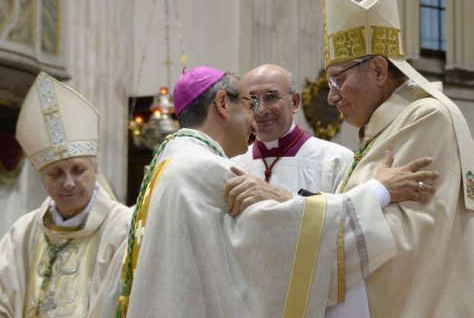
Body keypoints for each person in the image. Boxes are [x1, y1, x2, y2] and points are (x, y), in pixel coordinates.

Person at [109, 66, 436, 317]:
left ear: (294, 102)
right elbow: (287, 246)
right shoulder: (209, 169)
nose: (256, 117)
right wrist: (380, 190)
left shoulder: (169, 162)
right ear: (223, 104)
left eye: (269, 98)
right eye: (250, 103)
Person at [321, 0, 474, 316]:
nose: (332, 96)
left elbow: (407, 236)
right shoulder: (382, 128)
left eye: (339, 79)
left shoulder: (427, 117)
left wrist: (303, 238)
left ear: (378, 69)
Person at [0, 72, 132, 317]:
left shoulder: (123, 229)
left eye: (78, 170)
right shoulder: (24, 233)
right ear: (42, 178)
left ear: (95, 168)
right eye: (56, 174)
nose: (69, 183)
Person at [232, 63, 353, 194]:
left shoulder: (336, 160)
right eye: (253, 100)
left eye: (271, 97)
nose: (261, 110)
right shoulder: (234, 164)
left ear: (294, 102)